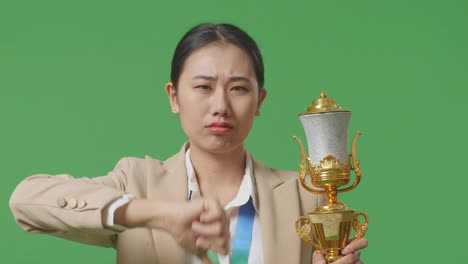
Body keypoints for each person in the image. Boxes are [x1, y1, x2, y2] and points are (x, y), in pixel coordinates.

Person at [9, 23, 368, 264]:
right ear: (174, 97)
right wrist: (157, 214)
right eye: (203, 87)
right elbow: (25, 201)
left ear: (260, 101)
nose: (221, 106)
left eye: (239, 88)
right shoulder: (137, 182)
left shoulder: (307, 197)